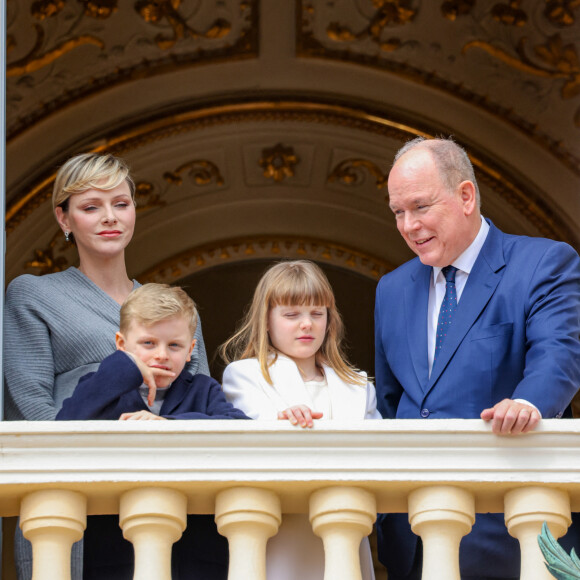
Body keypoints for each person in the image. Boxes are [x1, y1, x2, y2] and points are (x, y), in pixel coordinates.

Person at [374, 136, 580, 580]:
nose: (408, 225)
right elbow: (393, 402)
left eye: (420, 207)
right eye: (397, 212)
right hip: (411, 537)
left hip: (505, 529)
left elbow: (559, 354)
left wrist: (527, 404)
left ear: (465, 196)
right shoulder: (390, 290)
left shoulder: (542, 263)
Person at [3, 153, 210, 579]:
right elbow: (31, 414)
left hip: (164, 490)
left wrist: (160, 427)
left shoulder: (174, 306)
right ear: (64, 219)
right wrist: (112, 428)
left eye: (121, 203)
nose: (109, 217)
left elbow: (203, 402)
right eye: (91, 206)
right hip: (75, 494)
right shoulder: (33, 295)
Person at [57, 283, 248, 579]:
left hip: (196, 552)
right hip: (117, 552)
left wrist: (170, 426)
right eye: (148, 343)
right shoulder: (101, 388)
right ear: (121, 344)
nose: (161, 355)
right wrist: (123, 369)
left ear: (190, 350)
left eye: (174, 345)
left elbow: (239, 429)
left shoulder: (203, 389)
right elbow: (66, 424)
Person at [221, 259, 380, 580]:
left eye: (317, 314)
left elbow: (376, 455)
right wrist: (279, 422)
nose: (306, 324)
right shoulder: (245, 375)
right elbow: (251, 440)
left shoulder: (359, 386)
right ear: (266, 320)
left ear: (330, 320)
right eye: (292, 315)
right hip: (281, 535)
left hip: (344, 531)